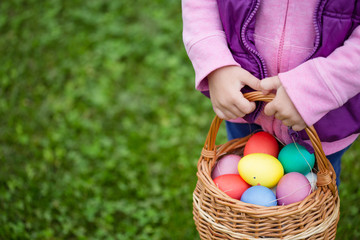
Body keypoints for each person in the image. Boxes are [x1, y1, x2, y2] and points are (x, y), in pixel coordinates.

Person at [182, 0, 360, 186]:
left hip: (321, 119)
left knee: (318, 185)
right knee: (241, 175)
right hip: (244, 104)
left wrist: (319, 86)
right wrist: (216, 63)